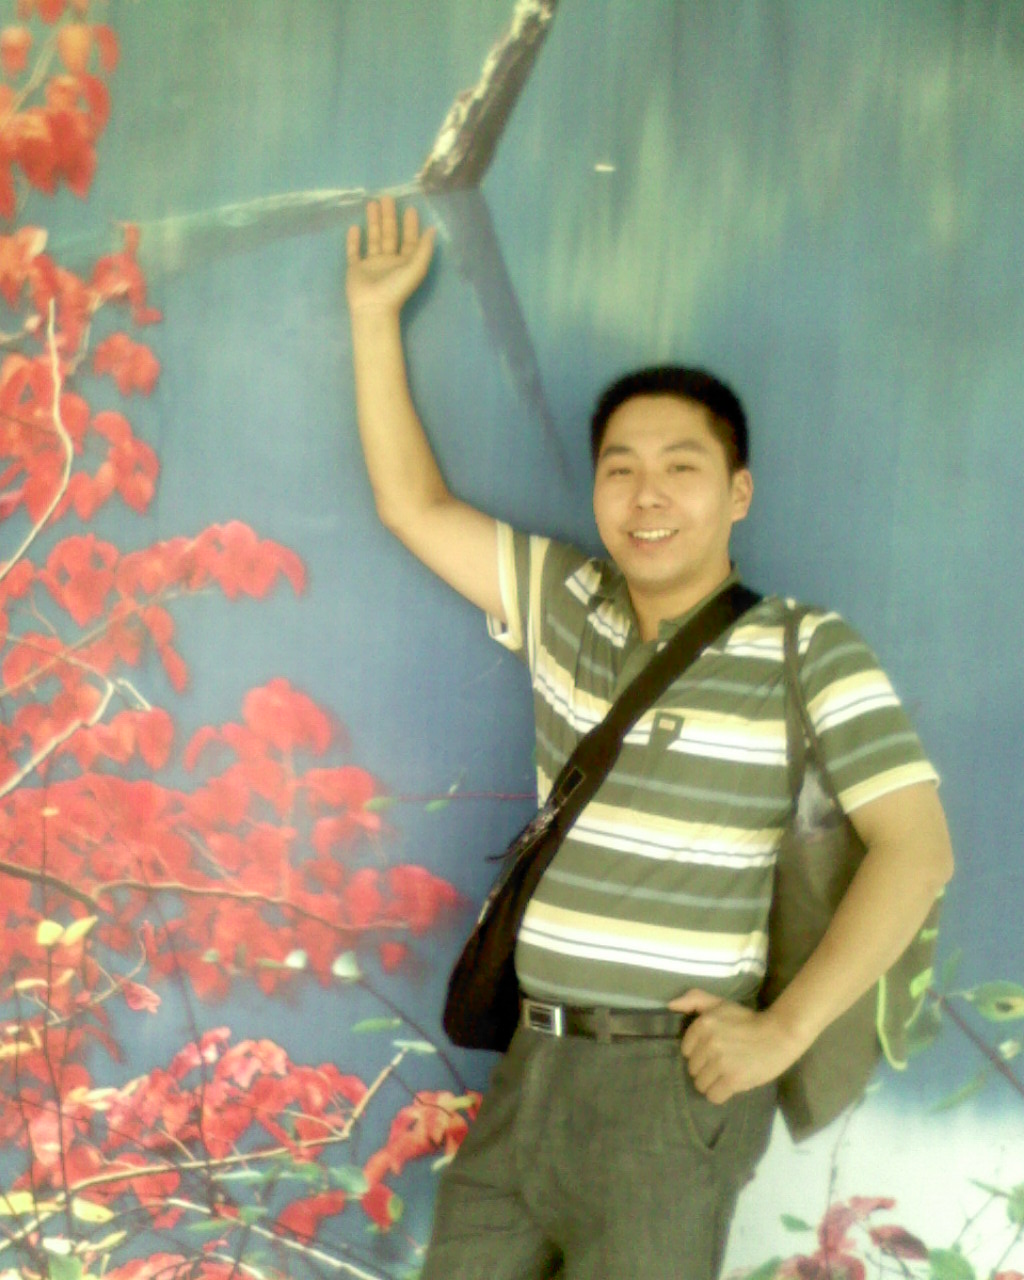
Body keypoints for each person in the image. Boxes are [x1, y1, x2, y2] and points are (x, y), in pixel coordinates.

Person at [344, 196, 954, 1280]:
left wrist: (782, 1031)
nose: (646, 493)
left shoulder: (804, 646)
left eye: (681, 466)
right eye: (619, 467)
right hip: (530, 1064)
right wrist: (372, 315)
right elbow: (412, 505)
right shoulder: (563, 602)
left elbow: (918, 850)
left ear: (738, 492)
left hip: (668, 1091)